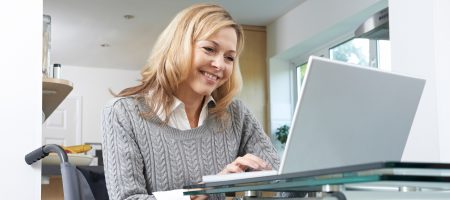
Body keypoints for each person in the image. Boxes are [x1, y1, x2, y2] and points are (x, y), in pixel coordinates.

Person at [102, 3, 279, 200]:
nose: (220, 64)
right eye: (210, 49)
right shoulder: (122, 113)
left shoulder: (236, 113)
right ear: (178, 47)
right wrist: (203, 191)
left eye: (229, 57)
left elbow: (284, 179)